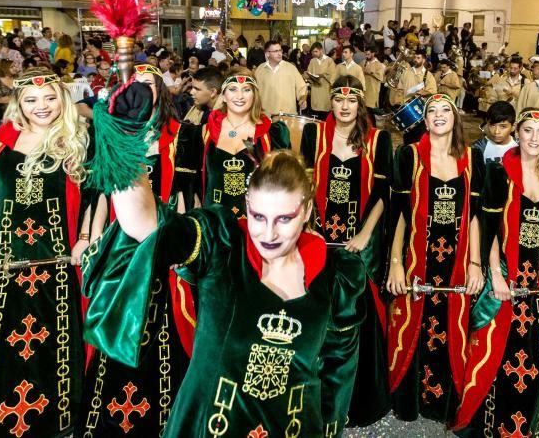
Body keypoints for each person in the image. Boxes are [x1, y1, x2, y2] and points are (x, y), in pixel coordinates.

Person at [83, 128, 365, 437]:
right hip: (208, 425)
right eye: (258, 217)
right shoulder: (222, 246)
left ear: (307, 211)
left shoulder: (336, 276)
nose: (268, 235)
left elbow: (338, 375)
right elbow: (146, 226)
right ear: (246, 206)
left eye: (284, 219)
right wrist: (125, 137)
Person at [0, 69, 104, 437]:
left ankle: (59, 420)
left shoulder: (81, 137)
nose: (42, 106)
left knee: (59, 344)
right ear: (18, 103)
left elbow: (97, 195)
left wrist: (85, 239)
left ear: (62, 99)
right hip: (3, 262)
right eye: (31, 100)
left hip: (60, 264)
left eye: (50, 98)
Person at [80, 63, 192, 437]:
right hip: (119, 241)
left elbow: (183, 195)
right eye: (136, 84)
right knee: (117, 324)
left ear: (161, 90)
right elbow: (99, 192)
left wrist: (180, 246)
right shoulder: (113, 132)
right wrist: (89, 235)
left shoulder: (180, 136)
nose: (143, 90)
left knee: (163, 322)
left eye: (150, 84)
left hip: (162, 235)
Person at [454, 108, 539, 436]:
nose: (534, 138)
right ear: (517, 133)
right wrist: (496, 274)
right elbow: (488, 228)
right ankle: (491, 423)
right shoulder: (498, 172)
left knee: (537, 358)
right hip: (505, 276)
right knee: (498, 356)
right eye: (528, 131)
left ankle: (530, 423)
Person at [385, 92, 485, 423]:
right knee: (413, 322)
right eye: (432, 111)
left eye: (445, 110)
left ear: (455, 118)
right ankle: (410, 399)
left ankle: (440, 401)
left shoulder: (473, 158)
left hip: (456, 261)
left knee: (449, 326)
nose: (439, 115)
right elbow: (399, 214)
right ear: (424, 120)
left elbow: (474, 216)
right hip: (418, 258)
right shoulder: (409, 156)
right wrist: (396, 263)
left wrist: (475, 263)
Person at [299, 75, 393, 427]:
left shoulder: (379, 140)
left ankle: (361, 400)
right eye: (338, 99)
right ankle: (319, 397)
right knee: (321, 316)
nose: (343, 106)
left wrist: (366, 234)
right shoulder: (315, 135)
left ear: (360, 104)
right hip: (321, 240)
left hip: (359, 243)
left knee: (360, 321)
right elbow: (305, 184)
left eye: (351, 100)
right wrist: (309, 229)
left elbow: (383, 194)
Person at [179, 68, 290, 219]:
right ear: (223, 95)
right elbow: (189, 186)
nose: (240, 96)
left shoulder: (272, 134)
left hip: (257, 225)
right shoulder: (204, 133)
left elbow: (287, 185)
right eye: (232, 89)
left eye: (246, 90)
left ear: (254, 96)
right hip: (214, 225)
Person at [254, 39, 307, 116]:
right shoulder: (260, 70)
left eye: (280, 50)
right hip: (265, 115)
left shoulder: (290, 68)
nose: (279, 53)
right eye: (275, 51)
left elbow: (302, 87)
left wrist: (303, 99)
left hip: (287, 115)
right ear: (267, 54)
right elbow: (254, 91)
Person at [307, 42, 337, 116]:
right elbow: (309, 73)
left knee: (325, 113)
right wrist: (309, 76)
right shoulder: (312, 61)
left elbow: (332, 75)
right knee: (315, 115)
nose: (314, 53)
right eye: (313, 52)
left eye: (316, 51)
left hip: (325, 90)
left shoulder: (329, 60)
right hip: (315, 90)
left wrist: (322, 75)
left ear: (321, 50)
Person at [362, 47, 386, 112]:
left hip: (373, 91)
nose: (366, 56)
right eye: (366, 54)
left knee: (371, 111)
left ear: (373, 54)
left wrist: (370, 72)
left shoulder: (379, 65)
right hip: (363, 90)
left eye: (368, 54)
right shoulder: (363, 62)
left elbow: (380, 76)